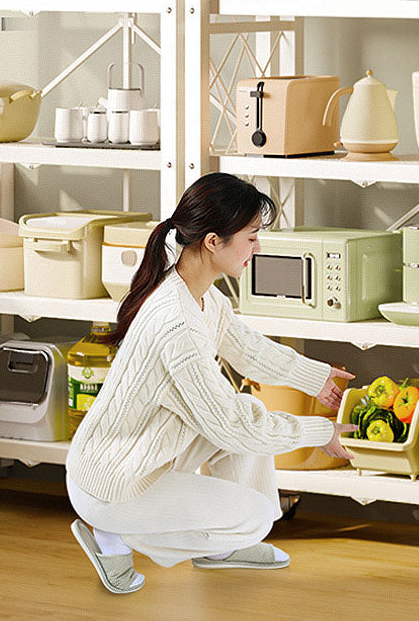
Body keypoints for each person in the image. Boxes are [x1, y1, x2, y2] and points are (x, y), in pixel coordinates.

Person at [65, 172, 357, 594]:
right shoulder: (177, 325)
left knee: (247, 415)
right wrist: (319, 431)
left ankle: (219, 548)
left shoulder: (197, 294)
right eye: (252, 237)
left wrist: (316, 377)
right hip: (112, 486)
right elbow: (235, 427)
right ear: (214, 242)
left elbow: (247, 349)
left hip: (134, 459)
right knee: (256, 515)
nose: (258, 248)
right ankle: (114, 535)